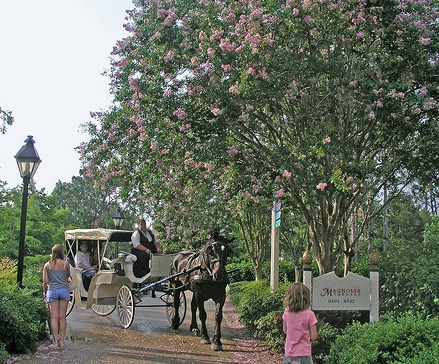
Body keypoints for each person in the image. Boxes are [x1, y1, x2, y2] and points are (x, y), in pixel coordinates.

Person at [43, 244, 71, 349]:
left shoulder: (47, 265)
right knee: (62, 317)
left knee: (54, 317)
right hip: (63, 290)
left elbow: (46, 281)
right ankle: (62, 342)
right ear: (61, 253)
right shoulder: (66, 264)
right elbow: (67, 277)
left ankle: (55, 343)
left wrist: (45, 293)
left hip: (52, 291)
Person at [282, 282, 318, 364]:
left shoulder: (286, 313)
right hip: (304, 353)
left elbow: (285, 331)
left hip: (289, 352)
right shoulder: (310, 314)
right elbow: (314, 337)